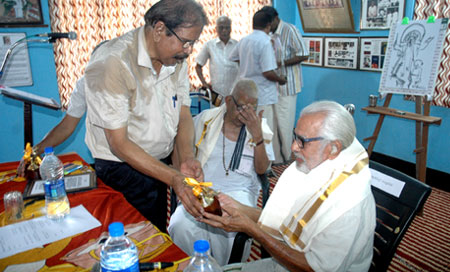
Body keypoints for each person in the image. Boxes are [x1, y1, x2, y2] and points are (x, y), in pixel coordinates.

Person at [201, 101, 376, 271]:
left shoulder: (346, 204)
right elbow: (287, 222)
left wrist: (251, 228)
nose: (293, 147)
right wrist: (239, 208)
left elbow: (314, 268)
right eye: (295, 136)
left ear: (333, 148)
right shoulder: (317, 165)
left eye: (302, 141)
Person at [84, 0, 208, 232]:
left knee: (156, 232)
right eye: (186, 42)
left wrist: (187, 157)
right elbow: (118, 143)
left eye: (194, 42)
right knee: (131, 237)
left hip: (157, 165)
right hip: (121, 168)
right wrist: (173, 178)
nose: (189, 50)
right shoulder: (114, 62)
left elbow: (182, 113)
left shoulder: (175, 58)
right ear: (160, 29)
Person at [168, 78, 275, 265]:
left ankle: (224, 268)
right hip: (204, 189)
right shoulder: (206, 120)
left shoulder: (260, 127)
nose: (248, 113)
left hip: (239, 193)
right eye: (242, 106)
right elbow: (180, 150)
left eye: (253, 107)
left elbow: (262, 169)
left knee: (231, 229)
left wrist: (257, 136)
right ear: (228, 101)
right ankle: (193, 266)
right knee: (180, 225)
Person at [261, 6, 309, 165]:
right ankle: (275, 159)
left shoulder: (290, 30)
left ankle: (287, 160)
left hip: (287, 87)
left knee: (285, 125)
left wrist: (280, 63)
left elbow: (303, 53)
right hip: (271, 87)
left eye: (269, 23)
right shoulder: (269, 34)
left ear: (275, 18)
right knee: (271, 125)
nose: (267, 27)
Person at [228, 10, 286, 134]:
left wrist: (248, 64)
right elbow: (268, 72)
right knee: (264, 131)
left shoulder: (244, 40)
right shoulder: (265, 42)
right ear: (269, 25)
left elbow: (233, 57)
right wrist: (281, 80)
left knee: (247, 131)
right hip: (262, 96)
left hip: (246, 93)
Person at [195, 16, 239, 105]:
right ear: (216, 29)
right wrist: (204, 84)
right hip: (216, 94)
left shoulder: (237, 45)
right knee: (216, 117)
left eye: (227, 27)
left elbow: (244, 67)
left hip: (234, 93)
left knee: (233, 117)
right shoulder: (209, 45)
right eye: (221, 28)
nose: (224, 31)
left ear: (231, 28)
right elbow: (198, 66)